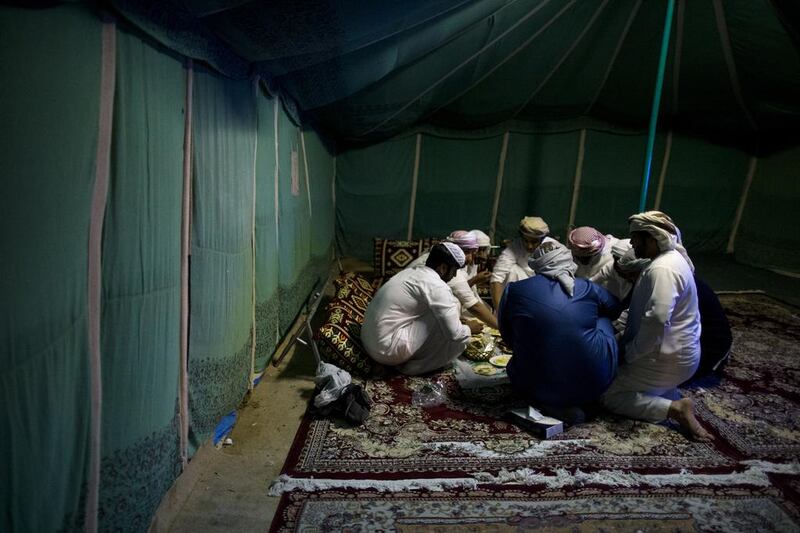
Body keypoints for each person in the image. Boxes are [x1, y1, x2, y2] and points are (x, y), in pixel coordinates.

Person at [601, 211, 712, 441]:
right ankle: (664, 393)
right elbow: (639, 309)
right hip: (676, 355)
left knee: (607, 393)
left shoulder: (663, 269)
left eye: (636, 238)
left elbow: (657, 319)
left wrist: (631, 354)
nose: (631, 242)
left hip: (665, 357)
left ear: (653, 239)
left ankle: (674, 409)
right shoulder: (664, 262)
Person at [499, 240, 623, 422]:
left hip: (532, 386)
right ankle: (582, 386)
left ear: (537, 263)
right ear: (568, 261)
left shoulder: (514, 290)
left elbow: (508, 336)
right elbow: (616, 310)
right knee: (601, 317)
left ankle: (549, 401)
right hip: (595, 384)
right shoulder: (587, 287)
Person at [361, 242, 483, 375]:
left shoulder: (410, 272)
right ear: (443, 268)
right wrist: (469, 329)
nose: (454, 276)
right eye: (454, 271)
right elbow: (455, 334)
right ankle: (412, 367)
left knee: (442, 313)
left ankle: (393, 361)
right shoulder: (436, 285)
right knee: (458, 334)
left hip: (369, 343)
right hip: (387, 350)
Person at [408, 230, 498, 329]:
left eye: (473, 252)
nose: (470, 259)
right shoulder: (447, 266)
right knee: (454, 302)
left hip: (415, 312)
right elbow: (474, 306)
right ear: (454, 249)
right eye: (467, 252)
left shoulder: (438, 257)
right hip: (410, 319)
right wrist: (502, 329)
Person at [490, 216, 554, 308]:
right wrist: (500, 312)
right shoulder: (515, 247)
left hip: (545, 293)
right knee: (512, 270)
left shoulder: (553, 249)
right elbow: (497, 277)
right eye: (526, 241)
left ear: (543, 239)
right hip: (521, 292)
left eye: (534, 242)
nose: (529, 246)